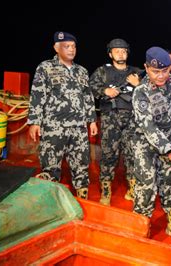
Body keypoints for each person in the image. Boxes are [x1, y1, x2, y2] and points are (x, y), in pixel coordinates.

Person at [28, 31, 98, 199]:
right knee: (51, 165)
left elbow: (87, 97)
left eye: (73, 47)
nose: (71, 50)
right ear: (56, 48)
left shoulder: (81, 71)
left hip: (78, 128)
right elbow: (37, 95)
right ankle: (50, 202)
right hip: (54, 127)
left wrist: (92, 121)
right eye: (67, 46)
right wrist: (34, 122)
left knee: (81, 164)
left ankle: (82, 199)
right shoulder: (45, 68)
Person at [132, 46, 171, 244]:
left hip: (170, 138)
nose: (161, 75)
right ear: (146, 68)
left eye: (165, 70)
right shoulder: (141, 92)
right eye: (156, 71)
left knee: (170, 182)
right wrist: (169, 150)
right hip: (145, 144)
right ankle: (141, 226)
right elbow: (148, 127)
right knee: (146, 185)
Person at [89, 38, 141, 206]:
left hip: (132, 120)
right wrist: (105, 90)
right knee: (108, 155)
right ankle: (106, 190)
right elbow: (90, 87)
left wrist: (138, 84)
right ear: (110, 53)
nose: (120, 53)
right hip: (110, 118)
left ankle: (132, 188)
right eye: (117, 50)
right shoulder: (103, 71)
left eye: (124, 50)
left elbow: (148, 93)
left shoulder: (136, 72)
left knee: (132, 156)